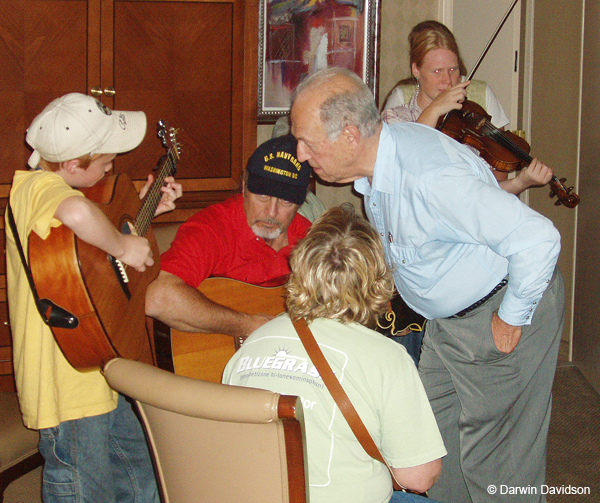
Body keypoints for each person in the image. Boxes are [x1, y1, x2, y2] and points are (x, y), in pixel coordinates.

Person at [290, 67, 565, 503]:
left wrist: (510, 321)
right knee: (432, 451)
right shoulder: (381, 164)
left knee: (495, 462)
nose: (300, 154)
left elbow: (538, 238)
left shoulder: (428, 177)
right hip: (447, 324)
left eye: (306, 140)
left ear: (347, 136)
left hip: (496, 308)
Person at [6, 92, 182, 502]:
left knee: (140, 475)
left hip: (102, 362)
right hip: (65, 384)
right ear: (71, 164)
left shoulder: (63, 188)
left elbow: (86, 256)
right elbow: (77, 217)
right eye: (106, 159)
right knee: (84, 488)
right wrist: (124, 248)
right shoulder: (34, 188)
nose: (112, 165)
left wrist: (145, 209)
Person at [223, 206, 447, 503]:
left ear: (301, 266)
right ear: (377, 278)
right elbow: (418, 477)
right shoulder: (388, 358)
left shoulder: (251, 343)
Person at [145, 134, 312, 339]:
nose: (271, 212)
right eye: (262, 196)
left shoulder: (311, 240)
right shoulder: (213, 228)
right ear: (244, 186)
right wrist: (246, 326)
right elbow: (157, 297)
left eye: (286, 202)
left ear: (300, 203)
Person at [382, 20, 552, 196]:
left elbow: (488, 194)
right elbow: (405, 167)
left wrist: (520, 182)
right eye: (437, 71)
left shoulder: (472, 117)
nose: (448, 80)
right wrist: (435, 109)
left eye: (453, 69)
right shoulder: (395, 119)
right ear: (416, 70)